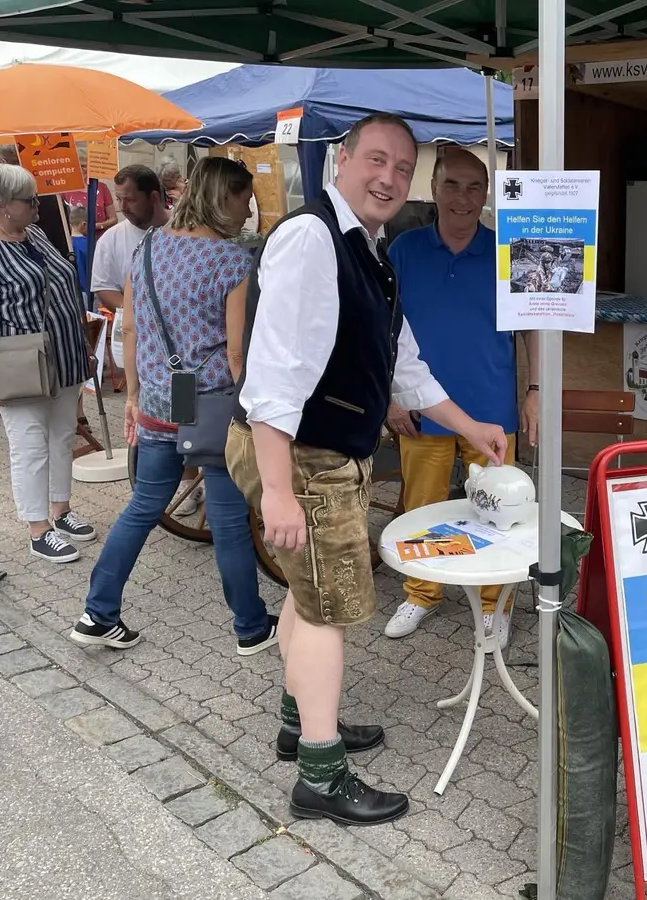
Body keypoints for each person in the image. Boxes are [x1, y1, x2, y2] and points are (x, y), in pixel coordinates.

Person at [226, 114, 507, 826]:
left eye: (400, 166)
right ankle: (320, 775)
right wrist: (281, 492)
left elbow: (404, 366)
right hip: (301, 454)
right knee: (328, 608)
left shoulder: (368, 251)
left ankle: (300, 721)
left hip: (319, 451)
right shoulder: (311, 239)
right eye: (375, 160)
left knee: (305, 590)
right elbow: (272, 379)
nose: (387, 177)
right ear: (341, 160)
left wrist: (475, 428)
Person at [70, 157, 275, 654]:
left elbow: (133, 329)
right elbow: (234, 353)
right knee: (228, 518)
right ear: (223, 197)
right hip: (210, 405)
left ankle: (97, 612)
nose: (249, 207)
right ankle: (250, 626)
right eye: (245, 197)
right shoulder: (232, 262)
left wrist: (135, 395)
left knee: (142, 506)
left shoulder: (147, 249)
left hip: (163, 397)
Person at [382, 149, 539, 644]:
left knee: (498, 510)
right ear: (434, 186)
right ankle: (421, 593)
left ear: (487, 195)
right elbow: (380, 328)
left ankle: (495, 603)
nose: (463, 198)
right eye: (453, 185)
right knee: (421, 507)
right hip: (420, 407)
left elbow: (531, 327)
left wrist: (534, 390)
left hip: (491, 407)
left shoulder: (507, 251)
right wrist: (389, 396)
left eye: (475, 188)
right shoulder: (403, 250)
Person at [0, 163, 96, 563]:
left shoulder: (36, 234)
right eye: (28, 200)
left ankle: (61, 509)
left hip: (64, 351)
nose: (37, 205)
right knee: (28, 444)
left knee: (62, 434)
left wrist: (84, 341)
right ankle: (37, 528)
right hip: (20, 359)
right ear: (2, 204)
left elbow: (63, 285)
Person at [91, 165, 170, 313]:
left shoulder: (185, 229)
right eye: (118, 199)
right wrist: (137, 315)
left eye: (130, 199)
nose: (123, 207)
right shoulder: (110, 240)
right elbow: (105, 288)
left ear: (153, 197)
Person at [69, 204, 90, 298]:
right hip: (89, 290)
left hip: (73, 292)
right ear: (84, 225)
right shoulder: (89, 244)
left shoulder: (67, 243)